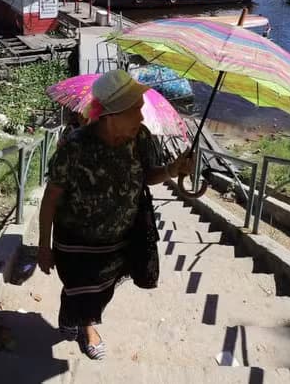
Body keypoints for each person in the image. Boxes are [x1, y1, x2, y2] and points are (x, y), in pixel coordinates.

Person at [37, 69, 195, 360]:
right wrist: (43, 246)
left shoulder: (140, 137)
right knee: (78, 286)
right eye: (135, 110)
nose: (142, 117)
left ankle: (75, 315)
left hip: (120, 240)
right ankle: (86, 326)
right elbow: (50, 199)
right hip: (75, 242)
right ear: (111, 115)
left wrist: (173, 169)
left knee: (101, 290)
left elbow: (148, 175)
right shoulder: (75, 147)